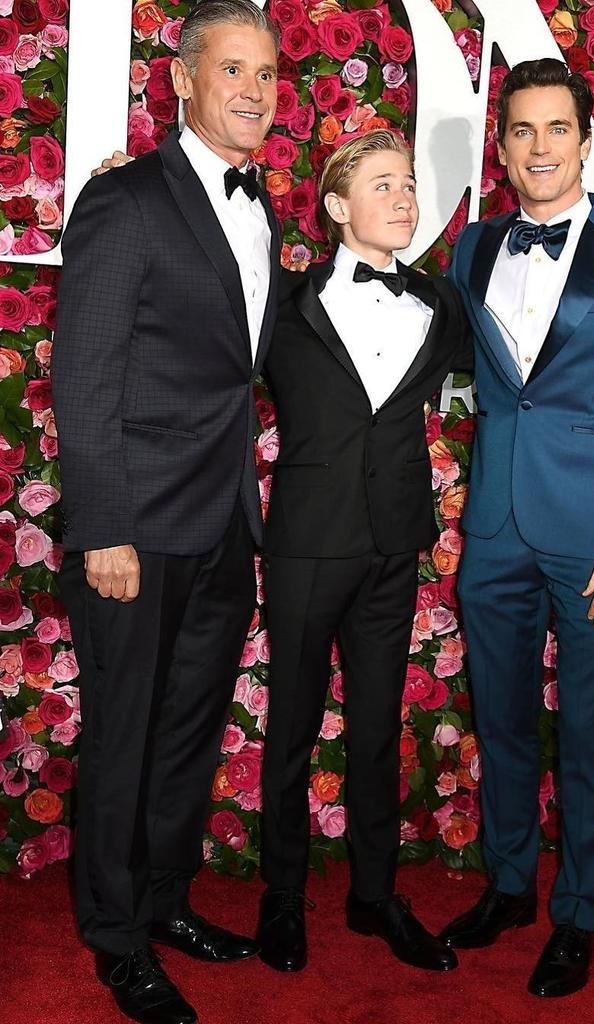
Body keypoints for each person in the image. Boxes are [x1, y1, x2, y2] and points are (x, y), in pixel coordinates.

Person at [438, 58, 594, 998]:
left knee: (586, 730)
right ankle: (509, 884)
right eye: (521, 131)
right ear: (500, 148)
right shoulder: (471, 250)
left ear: (586, 140)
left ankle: (579, 913)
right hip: (496, 528)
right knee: (500, 721)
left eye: (556, 129)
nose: (539, 147)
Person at [51, 3, 281, 1022]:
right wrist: (103, 526)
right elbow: (87, 375)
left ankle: (164, 902)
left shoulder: (261, 205)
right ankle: (113, 939)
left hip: (224, 520)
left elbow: (237, 366)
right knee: (122, 739)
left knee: (186, 732)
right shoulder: (126, 200)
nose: (254, 89)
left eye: (268, 73)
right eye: (233, 69)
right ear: (182, 80)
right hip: (133, 532)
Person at [255, 130, 467, 974]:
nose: (405, 198)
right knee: (293, 728)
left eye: (408, 183)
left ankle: (375, 896)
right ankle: (281, 899)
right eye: (383, 184)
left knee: (378, 726)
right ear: (339, 208)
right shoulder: (282, 301)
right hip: (308, 542)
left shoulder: (442, 305)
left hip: (393, 544)